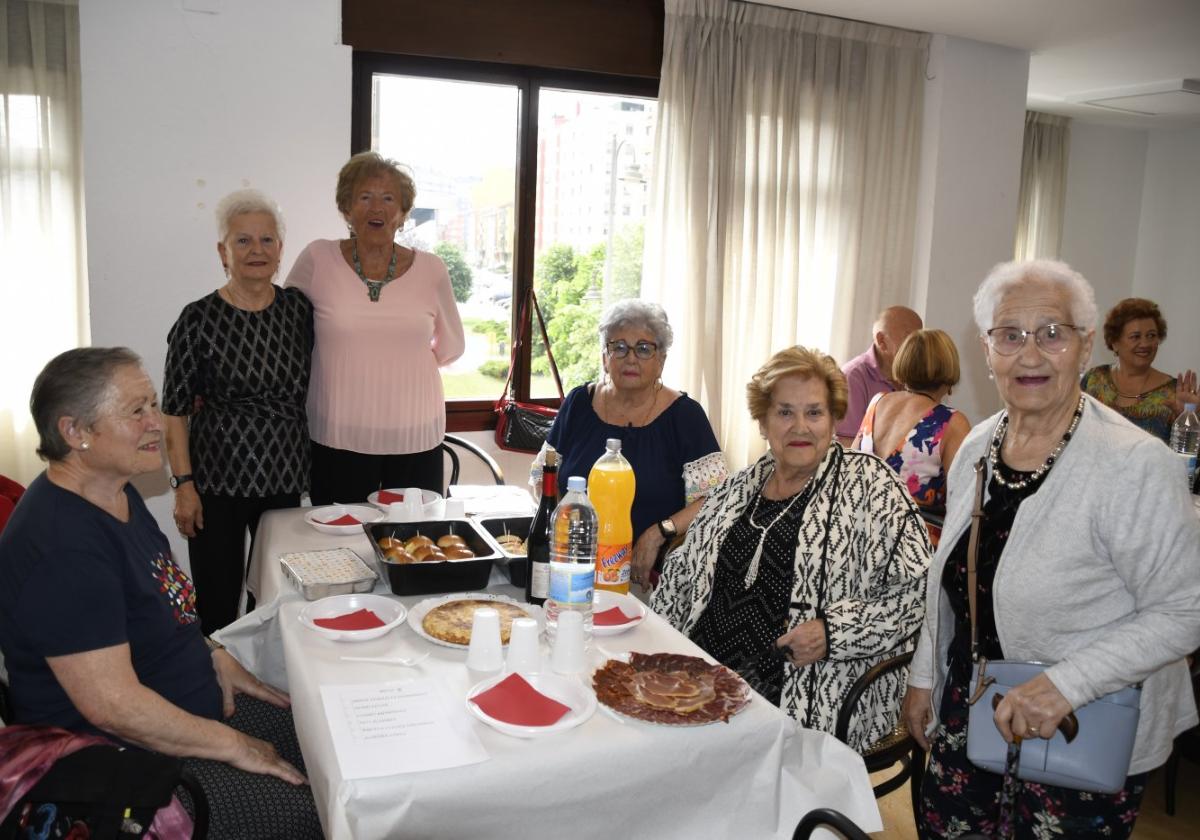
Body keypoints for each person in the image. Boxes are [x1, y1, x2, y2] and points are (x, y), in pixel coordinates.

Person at [902, 260, 1200, 838]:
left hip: (1083, 722)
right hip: (972, 704)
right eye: (1009, 335)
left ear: (1086, 348)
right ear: (987, 351)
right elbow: (952, 581)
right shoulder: (978, 446)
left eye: (1052, 334)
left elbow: (1185, 608)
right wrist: (923, 678)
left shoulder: (1134, 465)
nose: (1029, 354)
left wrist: (1068, 684)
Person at [0, 348, 322, 837]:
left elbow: (162, 601)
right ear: (75, 433)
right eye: (137, 411)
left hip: (191, 705)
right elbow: (114, 707)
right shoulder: (61, 546)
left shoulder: (115, 490)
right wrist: (234, 745)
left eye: (153, 404)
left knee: (326, 733)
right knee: (306, 811)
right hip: (128, 759)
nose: (158, 423)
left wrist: (212, 653)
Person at [651, 345, 932, 751]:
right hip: (705, 678)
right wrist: (656, 654)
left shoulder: (871, 486)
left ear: (835, 419)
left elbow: (921, 590)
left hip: (811, 685)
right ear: (763, 422)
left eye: (814, 412)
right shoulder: (738, 489)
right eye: (784, 412)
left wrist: (833, 633)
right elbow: (682, 576)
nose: (800, 426)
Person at [163, 189, 312, 634]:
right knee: (217, 596)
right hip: (217, 482)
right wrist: (183, 486)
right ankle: (216, 685)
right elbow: (174, 411)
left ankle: (266, 683)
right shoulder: (198, 319)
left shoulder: (298, 310)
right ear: (222, 251)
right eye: (243, 241)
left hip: (284, 480)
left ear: (281, 249)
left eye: (267, 240)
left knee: (276, 593)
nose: (256, 251)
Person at [285, 151, 465, 503]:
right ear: (346, 208)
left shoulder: (432, 269)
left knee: (413, 546)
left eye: (388, 199)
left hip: (415, 435)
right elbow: (285, 331)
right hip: (337, 434)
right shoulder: (317, 258)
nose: (376, 208)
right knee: (341, 547)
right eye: (364, 197)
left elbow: (452, 346)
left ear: (402, 212)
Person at [532, 300, 727, 588]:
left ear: (661, 360)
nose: (631, 358)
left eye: (644, 348)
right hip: (573, 563)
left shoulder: (685, 416)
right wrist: (565, 530)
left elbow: (716, 498)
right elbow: (543, 475)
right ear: (604, 357)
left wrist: (659, 533)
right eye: (619, 347)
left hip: (653, 574)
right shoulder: (578, 403)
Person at [852, 328, 970, 546]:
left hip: (860, 536)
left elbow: (850, 469)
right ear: (949, 370)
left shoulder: (877, 403)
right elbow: (964, 501)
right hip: (911, 550)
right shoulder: (950, 422)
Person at [1081, 297, 1199, 443]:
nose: (1145, 344)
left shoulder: (1175, 392)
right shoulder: (1094, 379)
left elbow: (1188, 460)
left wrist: (1191, 419)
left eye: (1151, 336)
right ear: (1115, 342)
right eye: (1135, 336)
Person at [836, 305, 923, 445]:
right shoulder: (853, 376)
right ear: (881, 341)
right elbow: (846, 445)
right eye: (910, 339)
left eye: (920, 339)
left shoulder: (919, 374)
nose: (919, 347)